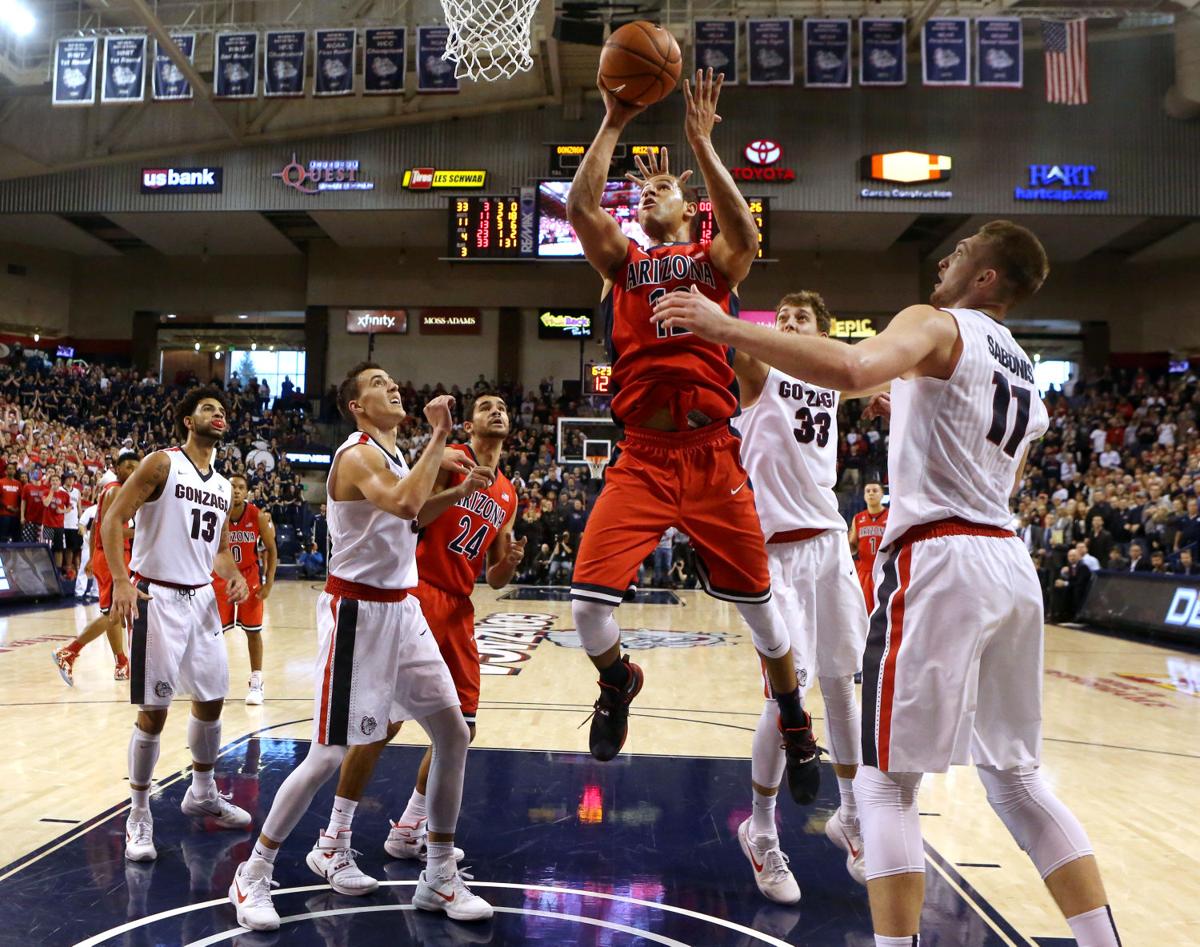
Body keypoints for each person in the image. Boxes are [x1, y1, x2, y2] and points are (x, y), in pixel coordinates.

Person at [652, 220, 1121, 947]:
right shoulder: (1027, 368)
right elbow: (992, 470)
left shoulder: (932, 322)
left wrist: (723, 324)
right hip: (1008, 561)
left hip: (939, 560)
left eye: (961, 253)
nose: (945, 259)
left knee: (883, 783)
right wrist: (909, 408)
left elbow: (850, 369)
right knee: (1018, 780)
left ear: (985, 277)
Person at [564, 68, 816, 797]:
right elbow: (582, 210)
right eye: (642, 191)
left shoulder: (712, 263)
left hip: (712, 453)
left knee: (767, 622)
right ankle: (619, 680)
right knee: (586, 609)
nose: (647, 194)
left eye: (661, 190)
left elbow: (745, 233)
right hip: (642, 454)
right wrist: (612, 118)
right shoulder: (624, 264)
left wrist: (702, 146)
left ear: (690, 206)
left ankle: (794, 715)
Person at [227, 364, 492, 931]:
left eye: (393, 380)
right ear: (356, 405)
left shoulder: (395, 458)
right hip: (358, 613)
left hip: (404, 608)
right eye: (376, 383)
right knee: (327, 754)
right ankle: (253, 872)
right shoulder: (356, 455)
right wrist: (441, 436)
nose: (391, 385)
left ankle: (439, 875)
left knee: (453, 733)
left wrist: (457, 492)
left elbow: (415, 515)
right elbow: (399, 503)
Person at [331, 392, 523, 867]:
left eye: (502, 407)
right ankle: (335, 832)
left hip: (459, 605)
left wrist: (511, 565)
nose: (496, 411)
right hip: (417, 593)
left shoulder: (509, 493)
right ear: (471, 424)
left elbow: (494, 576)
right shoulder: (451, 461)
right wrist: (455, 487)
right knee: (383, 724)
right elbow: (412, 514)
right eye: (485, 407)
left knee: (463, 728)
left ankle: (410, 827)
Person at [731, 291, 879, 904]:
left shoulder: (829, 382)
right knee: (786, 692)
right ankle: (761, 828)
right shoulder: (759, 373)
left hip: (828, 543)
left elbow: (864, 370)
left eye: (801, 322)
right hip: (772, 553)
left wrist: (892, 388)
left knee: (843, 682)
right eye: (782, 320)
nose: (789, 327)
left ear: (821, 334)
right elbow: (737, 341)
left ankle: (850, 815)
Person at [103, 389, 252, 864]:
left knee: (211, 700)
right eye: (209, 408)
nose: (219, 414)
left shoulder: (225, 485)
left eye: (222, 410)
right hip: (157, 596)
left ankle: (202, 792)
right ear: (188, 421)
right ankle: (139, 813)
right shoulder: (162, 464)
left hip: (202, 599)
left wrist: (233, 577)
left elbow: (222, 548)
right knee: (155, 710)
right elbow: (113, 520)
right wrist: (122, 583)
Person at [52, 452, 139, 684]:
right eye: (127, 467)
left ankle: (121, 662)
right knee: (115, 613)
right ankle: (69, 652)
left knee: (113, 612)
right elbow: (110, 530)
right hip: (114, 556)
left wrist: (92, 557)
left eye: (136, 468)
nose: (132, 472)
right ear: (116, 468)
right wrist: (146, 532)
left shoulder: (109, 490)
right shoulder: (117, 490)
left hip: (105, 554)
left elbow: (97, 524)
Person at [211, 473, 277, 705]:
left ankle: (257, 682)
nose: (236, 491)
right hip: (220, 577)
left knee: (253, 631)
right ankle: (214, 682)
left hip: (249, 577)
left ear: (247, 491)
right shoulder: (216, 512)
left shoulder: (257, 515)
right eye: (232, 487)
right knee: (215, 634)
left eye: (241, 487)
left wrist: (268, 583)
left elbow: (271, 549)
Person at [850, 481, 889, 610]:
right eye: (868, 491)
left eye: (875, 490)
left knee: (885, 609)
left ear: (882, 495)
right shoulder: (858, 518)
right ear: (864, 496)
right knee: (863, 610)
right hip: (865, 571)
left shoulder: (891, 516)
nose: (871, 493)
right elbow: (853, 545)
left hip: (885, 570)